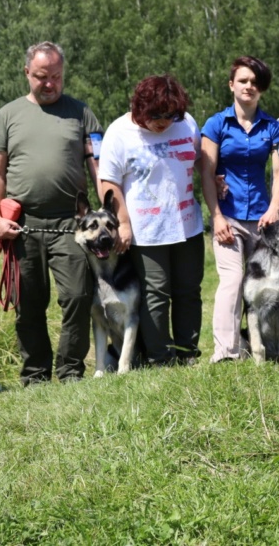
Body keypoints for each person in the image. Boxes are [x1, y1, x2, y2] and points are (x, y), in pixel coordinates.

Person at [0, 41, 102, 385]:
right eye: (41, 76)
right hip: (21, 225)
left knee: (78, 296)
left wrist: (116, 217)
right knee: (29, 304)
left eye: (56, 76)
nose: (49, 83)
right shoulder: (8, 114)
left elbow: (99, 171)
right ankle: (35, 375)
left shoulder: (82, 113)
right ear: (26, 73)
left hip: (72, 224)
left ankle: (70, 372)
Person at [100, 75, 205, 366]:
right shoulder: (120, 132)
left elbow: (198, 158)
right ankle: (161, 359)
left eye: (171, 115)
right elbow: (108, 182)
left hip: (188, 225)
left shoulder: (186, 123)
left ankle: (187, 355)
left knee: (188, 291)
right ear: (140, 107)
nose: (164, 122)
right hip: (147, 232)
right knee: (156, 294)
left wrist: (215, 178)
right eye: (156, 115)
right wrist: (122, 223)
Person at [201, 57, 279, 363]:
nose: (248, 86)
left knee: (266, 282)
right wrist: (216, 216)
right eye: (243, 81)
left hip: (263, 220)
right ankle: (226, 353)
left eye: (254, 82)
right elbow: (207, 173)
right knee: (233, 279)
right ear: (231, 85)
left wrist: (275, 208)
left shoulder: (273, 127)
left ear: (261, 88)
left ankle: (271, 348)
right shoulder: (215, 125)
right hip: (228, 219)